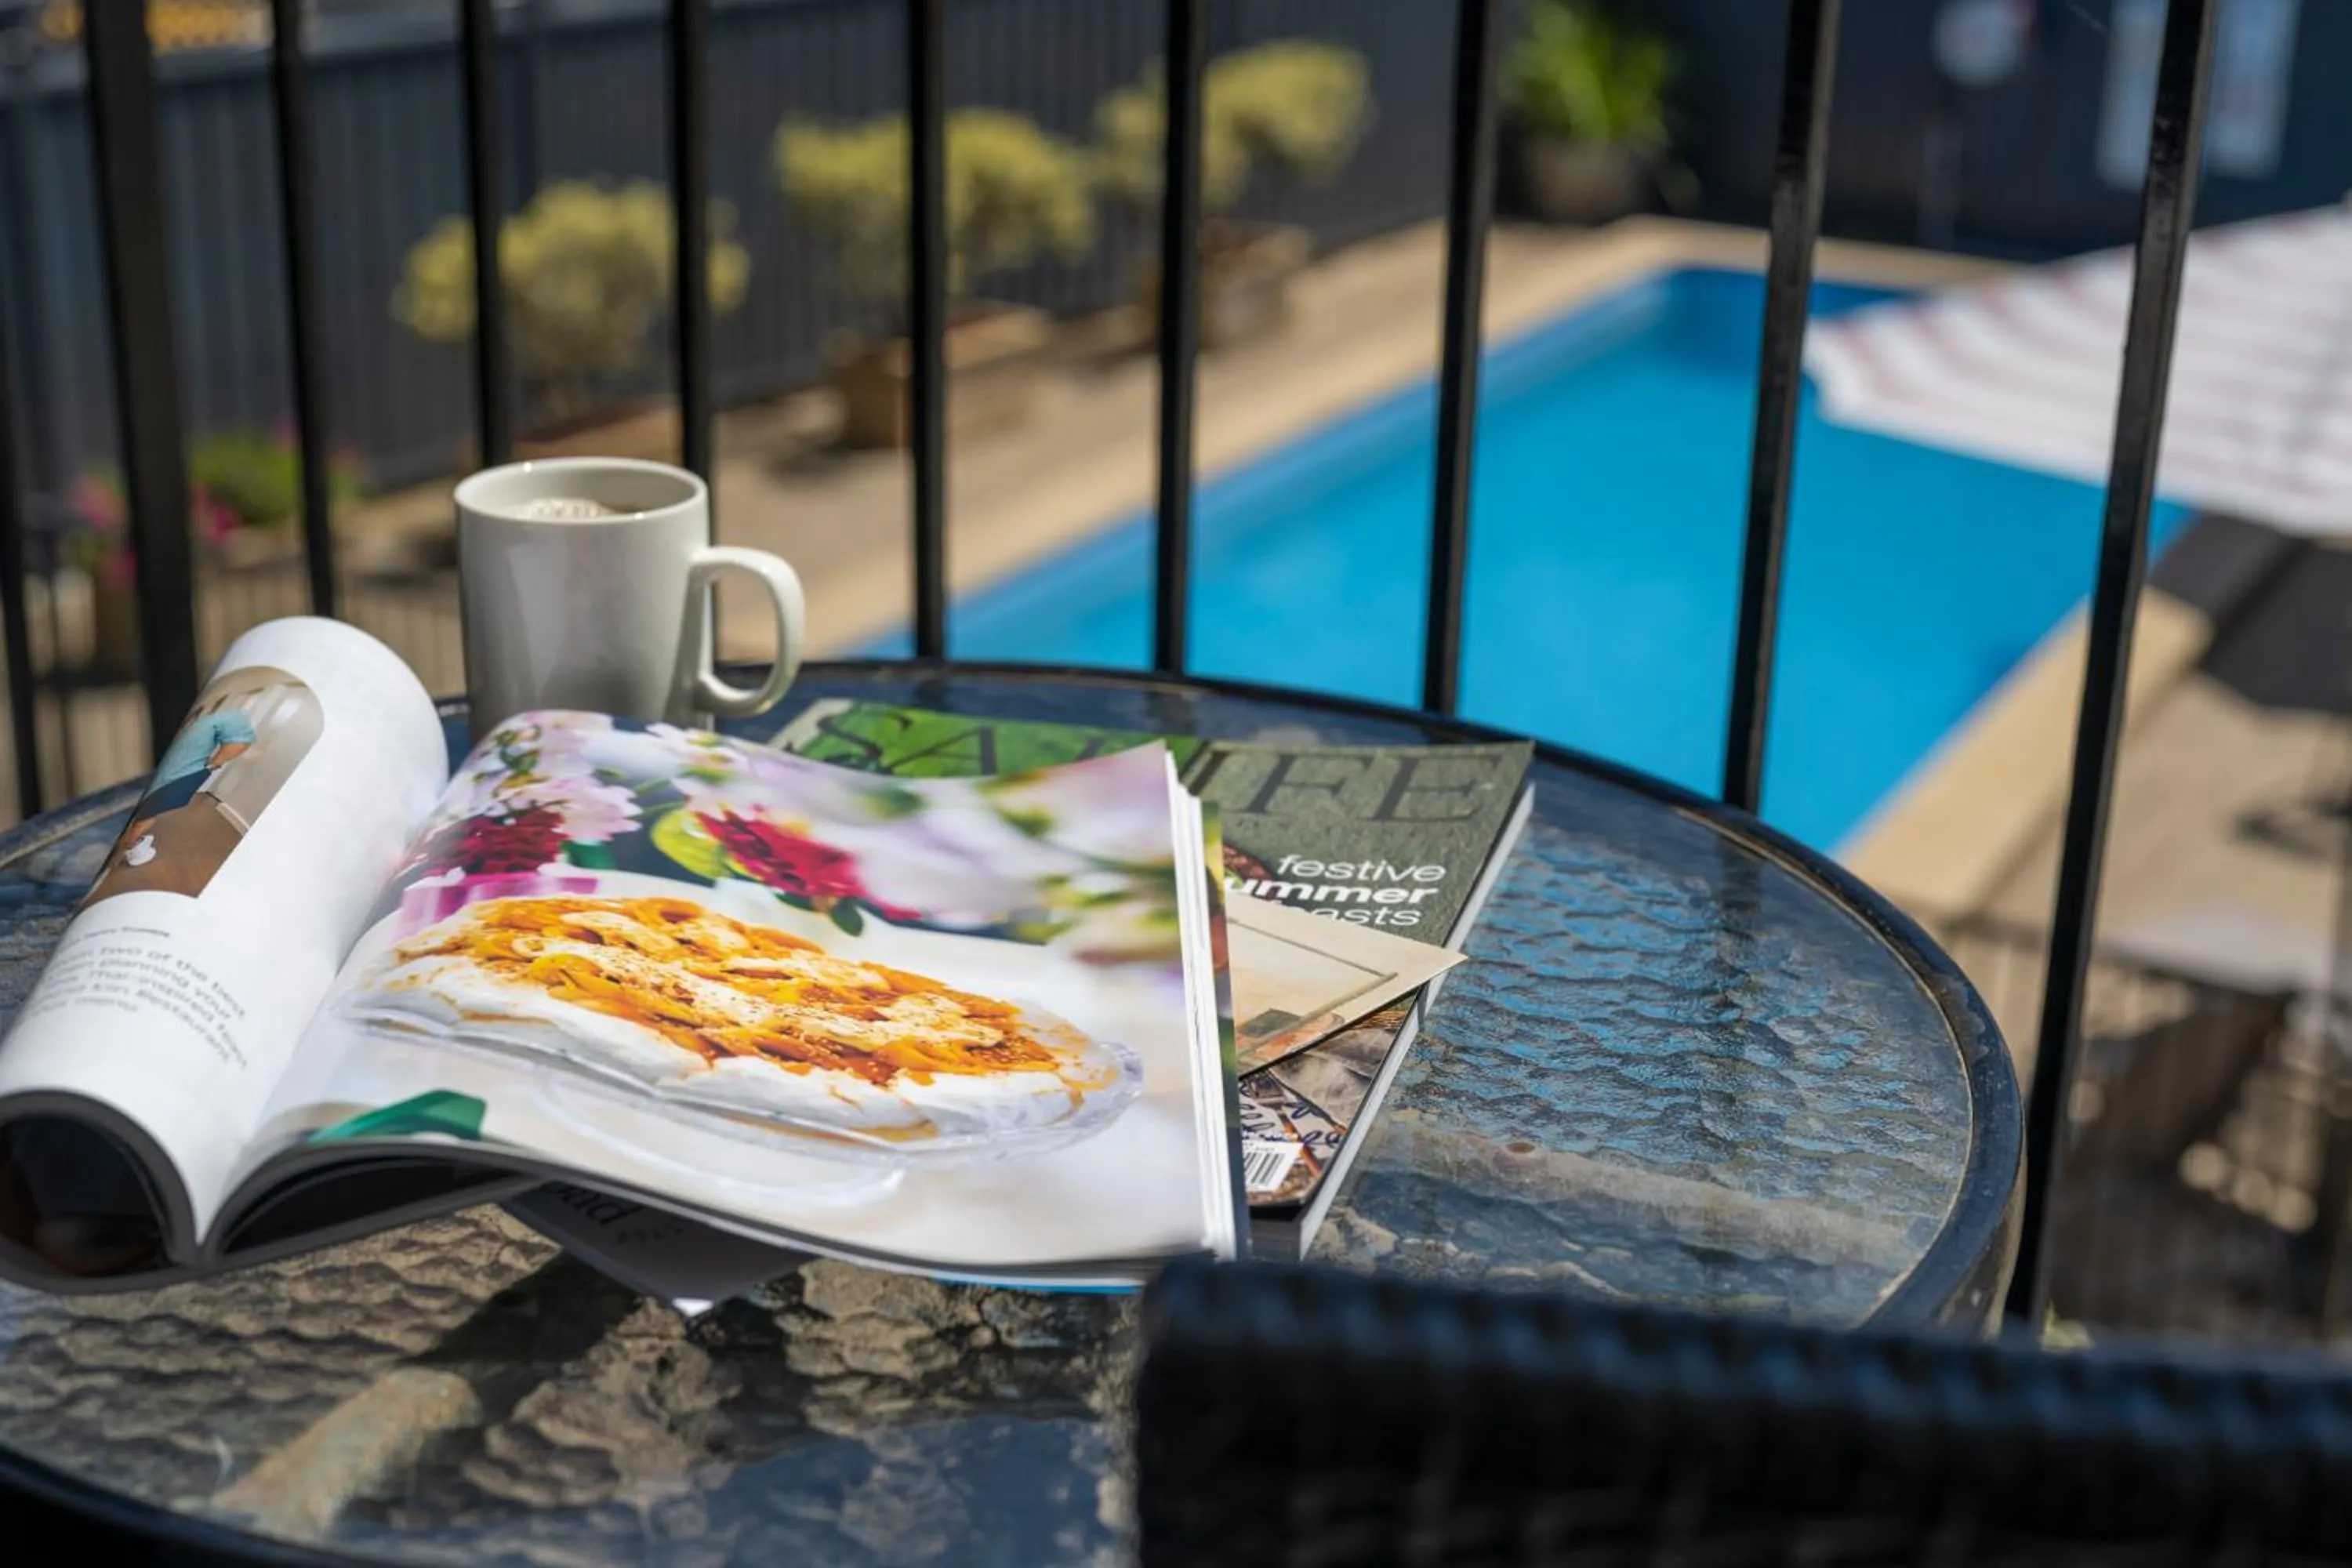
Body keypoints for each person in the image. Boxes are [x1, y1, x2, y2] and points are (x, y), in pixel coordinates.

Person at [125, 708, 259, 842]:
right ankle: (125, 845)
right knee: (140, 814)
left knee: (144, 817)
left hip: (177, 777)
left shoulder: (223, 718)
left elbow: (242, 741)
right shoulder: (196, 723)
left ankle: (125, 848)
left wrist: (213, 764)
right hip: (166, 772)